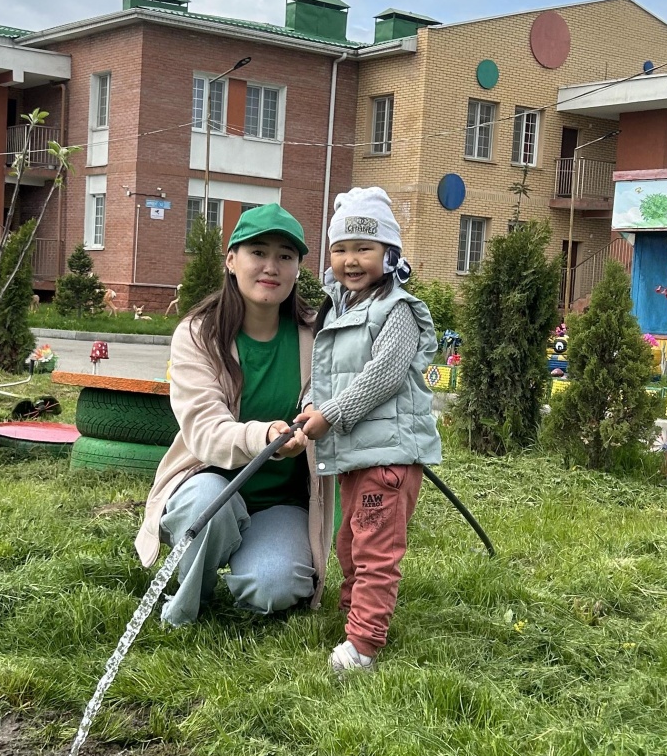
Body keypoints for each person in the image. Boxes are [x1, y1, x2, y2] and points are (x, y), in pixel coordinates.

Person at [136, 205, 333, 628]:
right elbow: (205, 432)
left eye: (285, 256)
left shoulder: (317, 335)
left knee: (275, 586)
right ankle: (188, 602)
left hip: (282, 501)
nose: (270, 266)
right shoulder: (198, 334)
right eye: (257, 252)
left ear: (299, 267)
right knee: (209, 505)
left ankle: (249, 556)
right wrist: (265, 437)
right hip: (209, 484)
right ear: (231, 260)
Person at [294, 186, 442, 675]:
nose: (351, 260)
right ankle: (355, 615)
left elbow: (384, 374)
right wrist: (311, 403)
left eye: (364, 248)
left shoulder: (395, 309)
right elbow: (327, 373)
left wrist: (331, 415)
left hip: (388, 458)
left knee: (375, 547)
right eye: (340, 249)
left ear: (389, 253)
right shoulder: (339, 308)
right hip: (358, 452)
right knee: (349, 545)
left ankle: (363, 645)